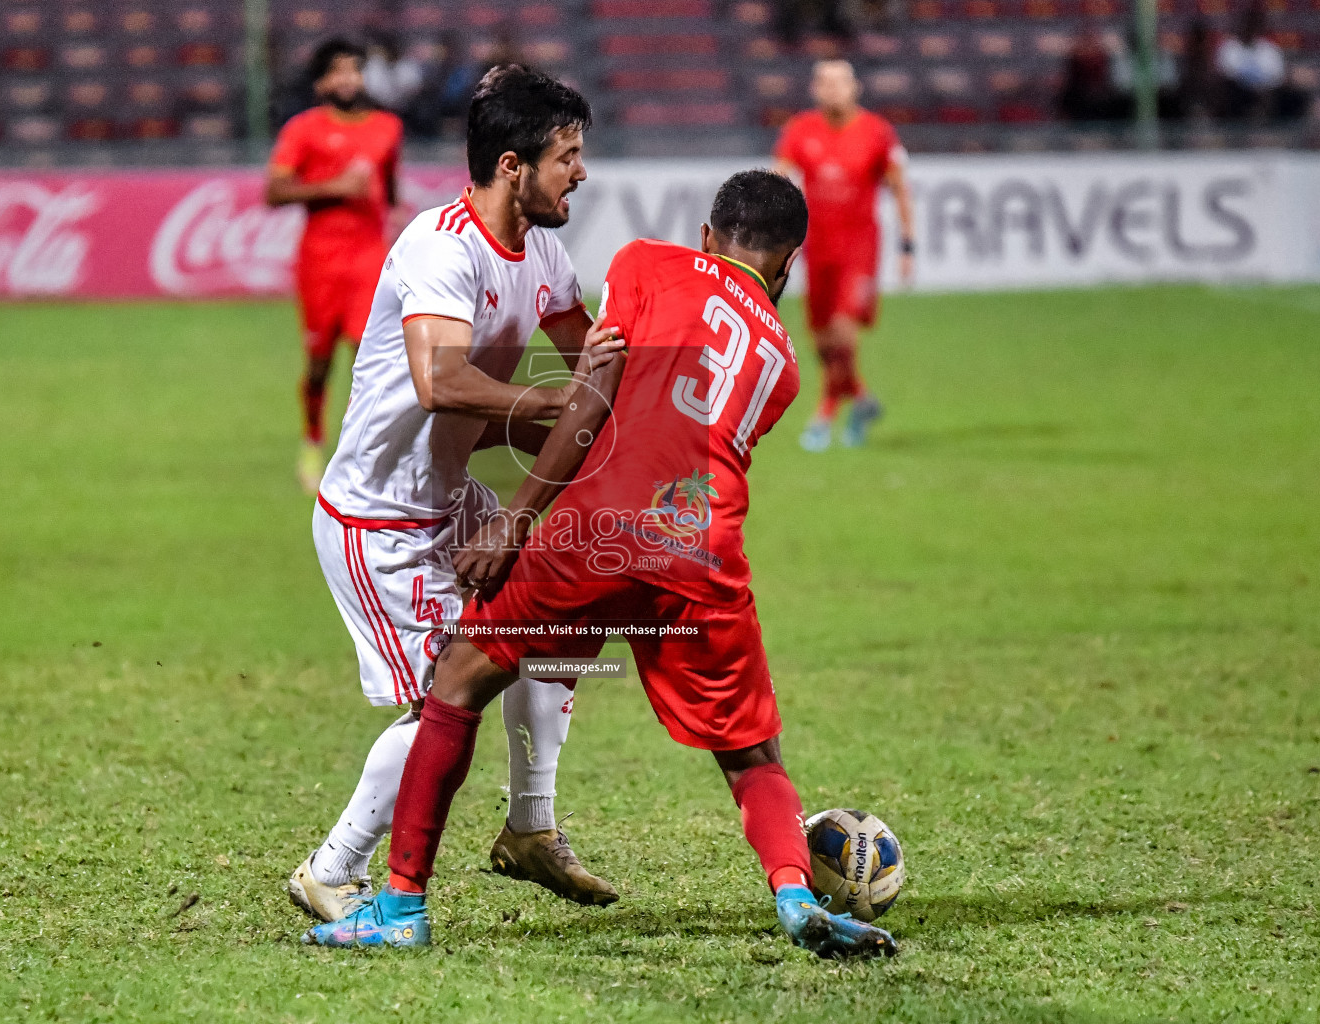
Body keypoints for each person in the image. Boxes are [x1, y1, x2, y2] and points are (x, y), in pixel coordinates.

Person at [307, 170, 898, 960]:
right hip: (701, 553)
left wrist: (516, 523)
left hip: (594, 535)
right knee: (752, 752)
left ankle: (400, 906)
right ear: (787, 266)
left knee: (457, 684)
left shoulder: (649, 263)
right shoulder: (784, 362)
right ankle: (794, 895)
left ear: (707, 238)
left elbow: (593, 400)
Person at [285, 64, 624, 924]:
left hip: (451, 497)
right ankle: (330, 870)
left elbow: (594, 362)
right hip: (380, 521)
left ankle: (531, 829)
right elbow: (439, 379)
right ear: (513, 166)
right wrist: (556, 404)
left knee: (550, 621)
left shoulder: (541, 247)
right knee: (453, 690)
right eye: (567, 157)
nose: (580, 173)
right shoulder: (440, 246)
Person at [266, 39, 404, 494]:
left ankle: (365, 455)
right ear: (322, 81)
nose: (347, 79)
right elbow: (275, 192)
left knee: (369, 356)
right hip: (321, 262)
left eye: (354, 70)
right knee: (321, 362)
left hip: (369, 258)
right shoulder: (303, 130)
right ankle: (311, 443)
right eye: (337, 72)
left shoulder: (387, 128)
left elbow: (390, 192)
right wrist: (335, 186)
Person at [774, 60, 912, 451]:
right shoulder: (801, 129)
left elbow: (900, 187)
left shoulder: (877, 132)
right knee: (821, 343)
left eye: (839, 82)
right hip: (817, 251)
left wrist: (908, 245)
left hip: (859, 250)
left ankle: (824, 415)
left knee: (842, 334)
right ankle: (863, 400)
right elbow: (778, 178)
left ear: (855, 87)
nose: (832, 90)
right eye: (824, 83)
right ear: (815, 90)